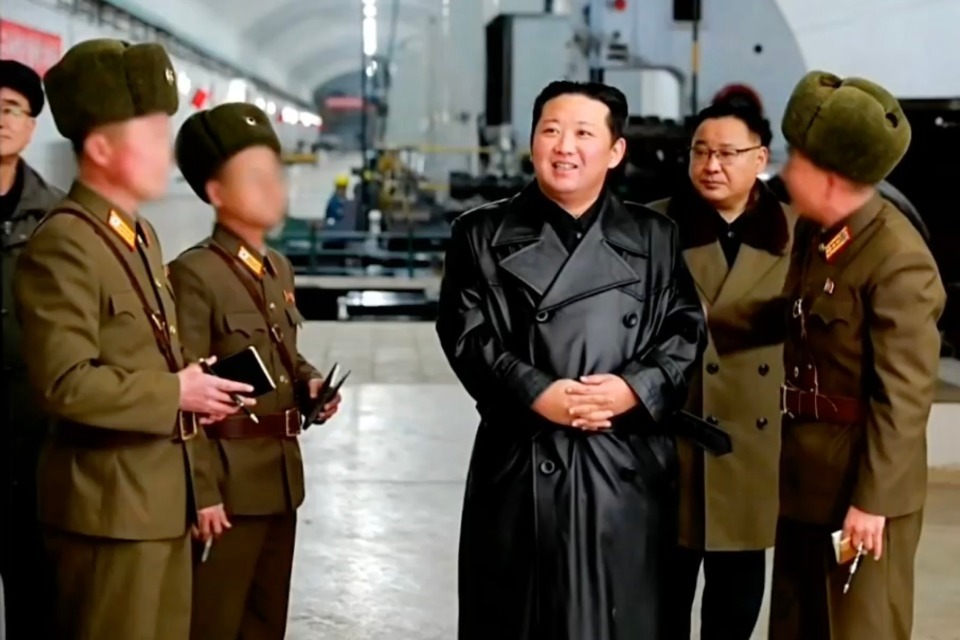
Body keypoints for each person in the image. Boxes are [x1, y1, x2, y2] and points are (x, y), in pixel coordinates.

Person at [436, 80, 706, 640]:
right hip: (523, 463)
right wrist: (538, 392)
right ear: (532, 140)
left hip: (625, 462)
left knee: (627, 619)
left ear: (615, 150)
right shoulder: (480, 234)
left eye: (583, 133)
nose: (564, 147)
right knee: (517, 619)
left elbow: (685, 332)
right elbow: (466, 334)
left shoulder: (656, 236)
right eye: (551, 131)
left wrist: (632, 389)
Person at [13, 38, 254, 640]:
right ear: (100, 148)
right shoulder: (65, 242)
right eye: (149, 135)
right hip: (107, 512)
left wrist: (199, 389)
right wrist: (176, 392)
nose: (164, 152)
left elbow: (149, 354)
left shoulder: (137, 234)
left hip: (158, 501)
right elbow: (64, 384)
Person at [709, 70, 945, 640]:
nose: (787, 173)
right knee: (797, 627)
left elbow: (904, 399)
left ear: (833, 178)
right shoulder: (823, 235)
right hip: (806, 478)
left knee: (856, 629)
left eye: (799, 161)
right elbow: (793, 312)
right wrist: (699, 326)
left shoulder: (896, 258)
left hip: (860, 491)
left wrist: (872, 502)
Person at [168, 102, 342, 640]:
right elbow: (185, 393)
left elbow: (282, 354)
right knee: (214, 623)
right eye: (254, 176)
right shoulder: (194, 274)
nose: (273, 189)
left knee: (266, 624)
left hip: (279, 479)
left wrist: (310, 383)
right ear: (216, 191)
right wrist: (202, 492)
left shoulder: (276, 268)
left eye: (274, 174)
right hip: (228, 486)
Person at [649, 96, 796, 640]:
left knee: (735, 608)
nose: (711, 165)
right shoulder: (651, 225)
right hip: (670, 443)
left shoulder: (797, 232)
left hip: (751, 449)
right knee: (658, 605)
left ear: (761, 158)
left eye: (727, 153)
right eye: (700, 152)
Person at [0, 58, 64, 640]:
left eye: (11, 109)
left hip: (35, 441)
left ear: (31, 125)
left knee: (37, 599)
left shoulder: (59, 218)